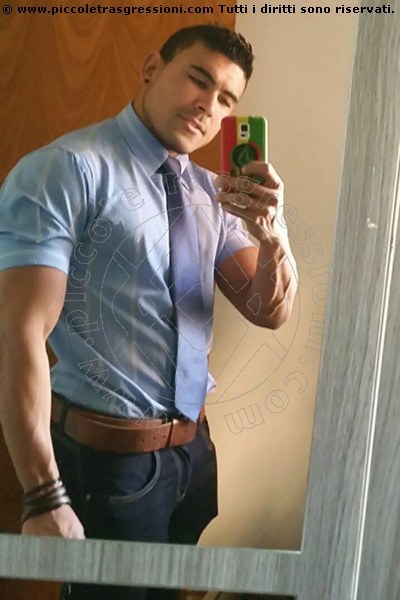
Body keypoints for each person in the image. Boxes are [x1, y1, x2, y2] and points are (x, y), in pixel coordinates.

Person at [0, 24, 297, 599]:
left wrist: (272, 233)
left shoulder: (213, 192)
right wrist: (42, 495)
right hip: (107, 463)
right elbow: (19, 332)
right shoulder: (67, 169)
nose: (208, 106)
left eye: (227, 99)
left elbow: (269, 310)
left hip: (192, 456)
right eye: (198, 79)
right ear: (152, 68)